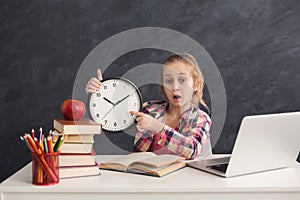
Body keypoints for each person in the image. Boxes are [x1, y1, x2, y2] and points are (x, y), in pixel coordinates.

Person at [85, 53, 212, 160]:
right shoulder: (150, 110)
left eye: (182, 80)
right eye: (168, 81)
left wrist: (156, 126)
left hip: (184, 183)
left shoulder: (200, 118)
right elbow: (115, 120)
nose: (175, 87)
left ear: (196, 84)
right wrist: (99, 94)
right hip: (146, 181)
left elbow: (192, 150)